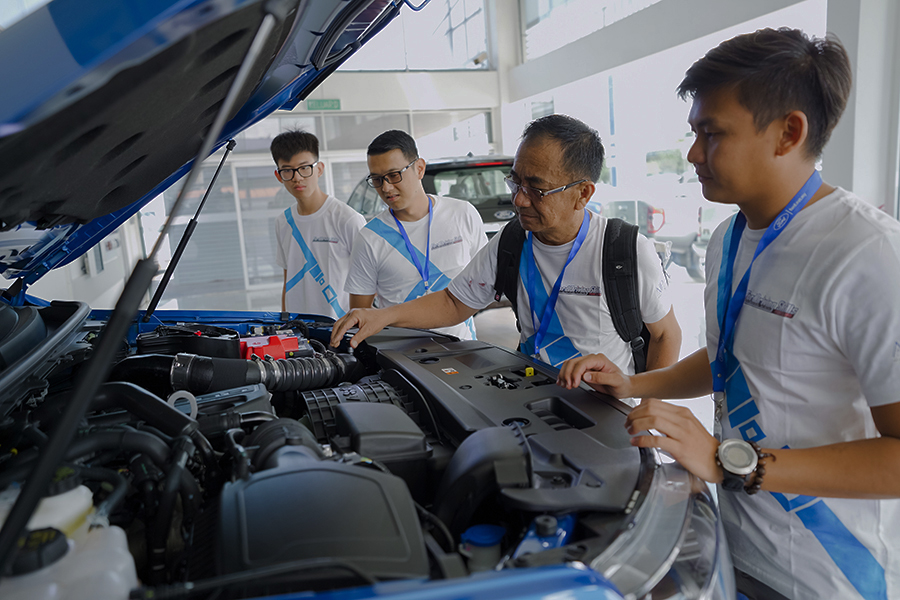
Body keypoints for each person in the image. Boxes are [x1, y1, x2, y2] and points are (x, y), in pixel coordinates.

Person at [557, 28, 900, 600]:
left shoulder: (869, 256)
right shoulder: (728, 237)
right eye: (694, 133)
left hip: (828, 578)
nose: (693, 153)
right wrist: (634, 381)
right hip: (734, 546)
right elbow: (736, 359)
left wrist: (733, 463)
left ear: (789, 132)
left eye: (711, 133)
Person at [332, 115, 681, 377]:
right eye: (515, 182)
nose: (519, 200)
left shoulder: (625, 251)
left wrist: (648, 408)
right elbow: (455, 302)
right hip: (533, 395)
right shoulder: (512, 242)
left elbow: (665, 335)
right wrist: (382, 315)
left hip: (608, 412)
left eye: (536, 189)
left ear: (583, 193)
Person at [343, 130, 487, 340]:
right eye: (377, 179)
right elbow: (359, 317)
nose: (386, 187)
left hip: (463, 349)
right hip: (403, 358)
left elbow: (485, 282)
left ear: (419, 168)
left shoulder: (462, 214)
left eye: (394, 175)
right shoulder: (369, 238)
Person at [271, 130, 365, 319]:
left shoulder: (347, 219)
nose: (297, 177)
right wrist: (285, 323)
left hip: (339, 329)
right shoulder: (283, 222)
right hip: (298, 331)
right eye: (287, 170)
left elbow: (368, 281)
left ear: (319, 169)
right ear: (279, 175)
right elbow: (287, 280)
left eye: (304, 167)